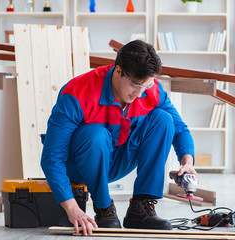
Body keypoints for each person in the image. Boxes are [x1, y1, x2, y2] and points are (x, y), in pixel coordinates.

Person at [41, 39, 197, 235]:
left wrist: (187, 161)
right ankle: (104, 208)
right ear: (118, 71)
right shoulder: (77, 93)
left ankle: (141, 208)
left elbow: (179, 128)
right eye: (135, 85)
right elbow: (52, 158)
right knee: (95, 134)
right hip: (80, 164)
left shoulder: (152, 89)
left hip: (116, 159)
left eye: (145, 87)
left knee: (164, 119)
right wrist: (72, 209)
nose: (140, 94)